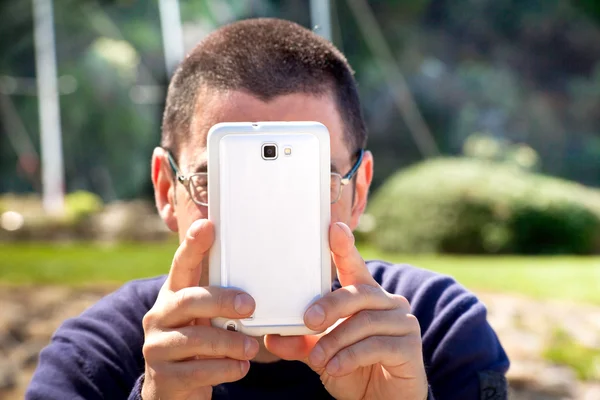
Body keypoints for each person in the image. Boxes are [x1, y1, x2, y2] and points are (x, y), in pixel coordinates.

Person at [26, 18, 509, 400]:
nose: (265, 217)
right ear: (164, 188)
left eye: (306, 180)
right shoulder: (93, 360)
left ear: (358, 190)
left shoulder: (435, 329)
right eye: (219, 178)